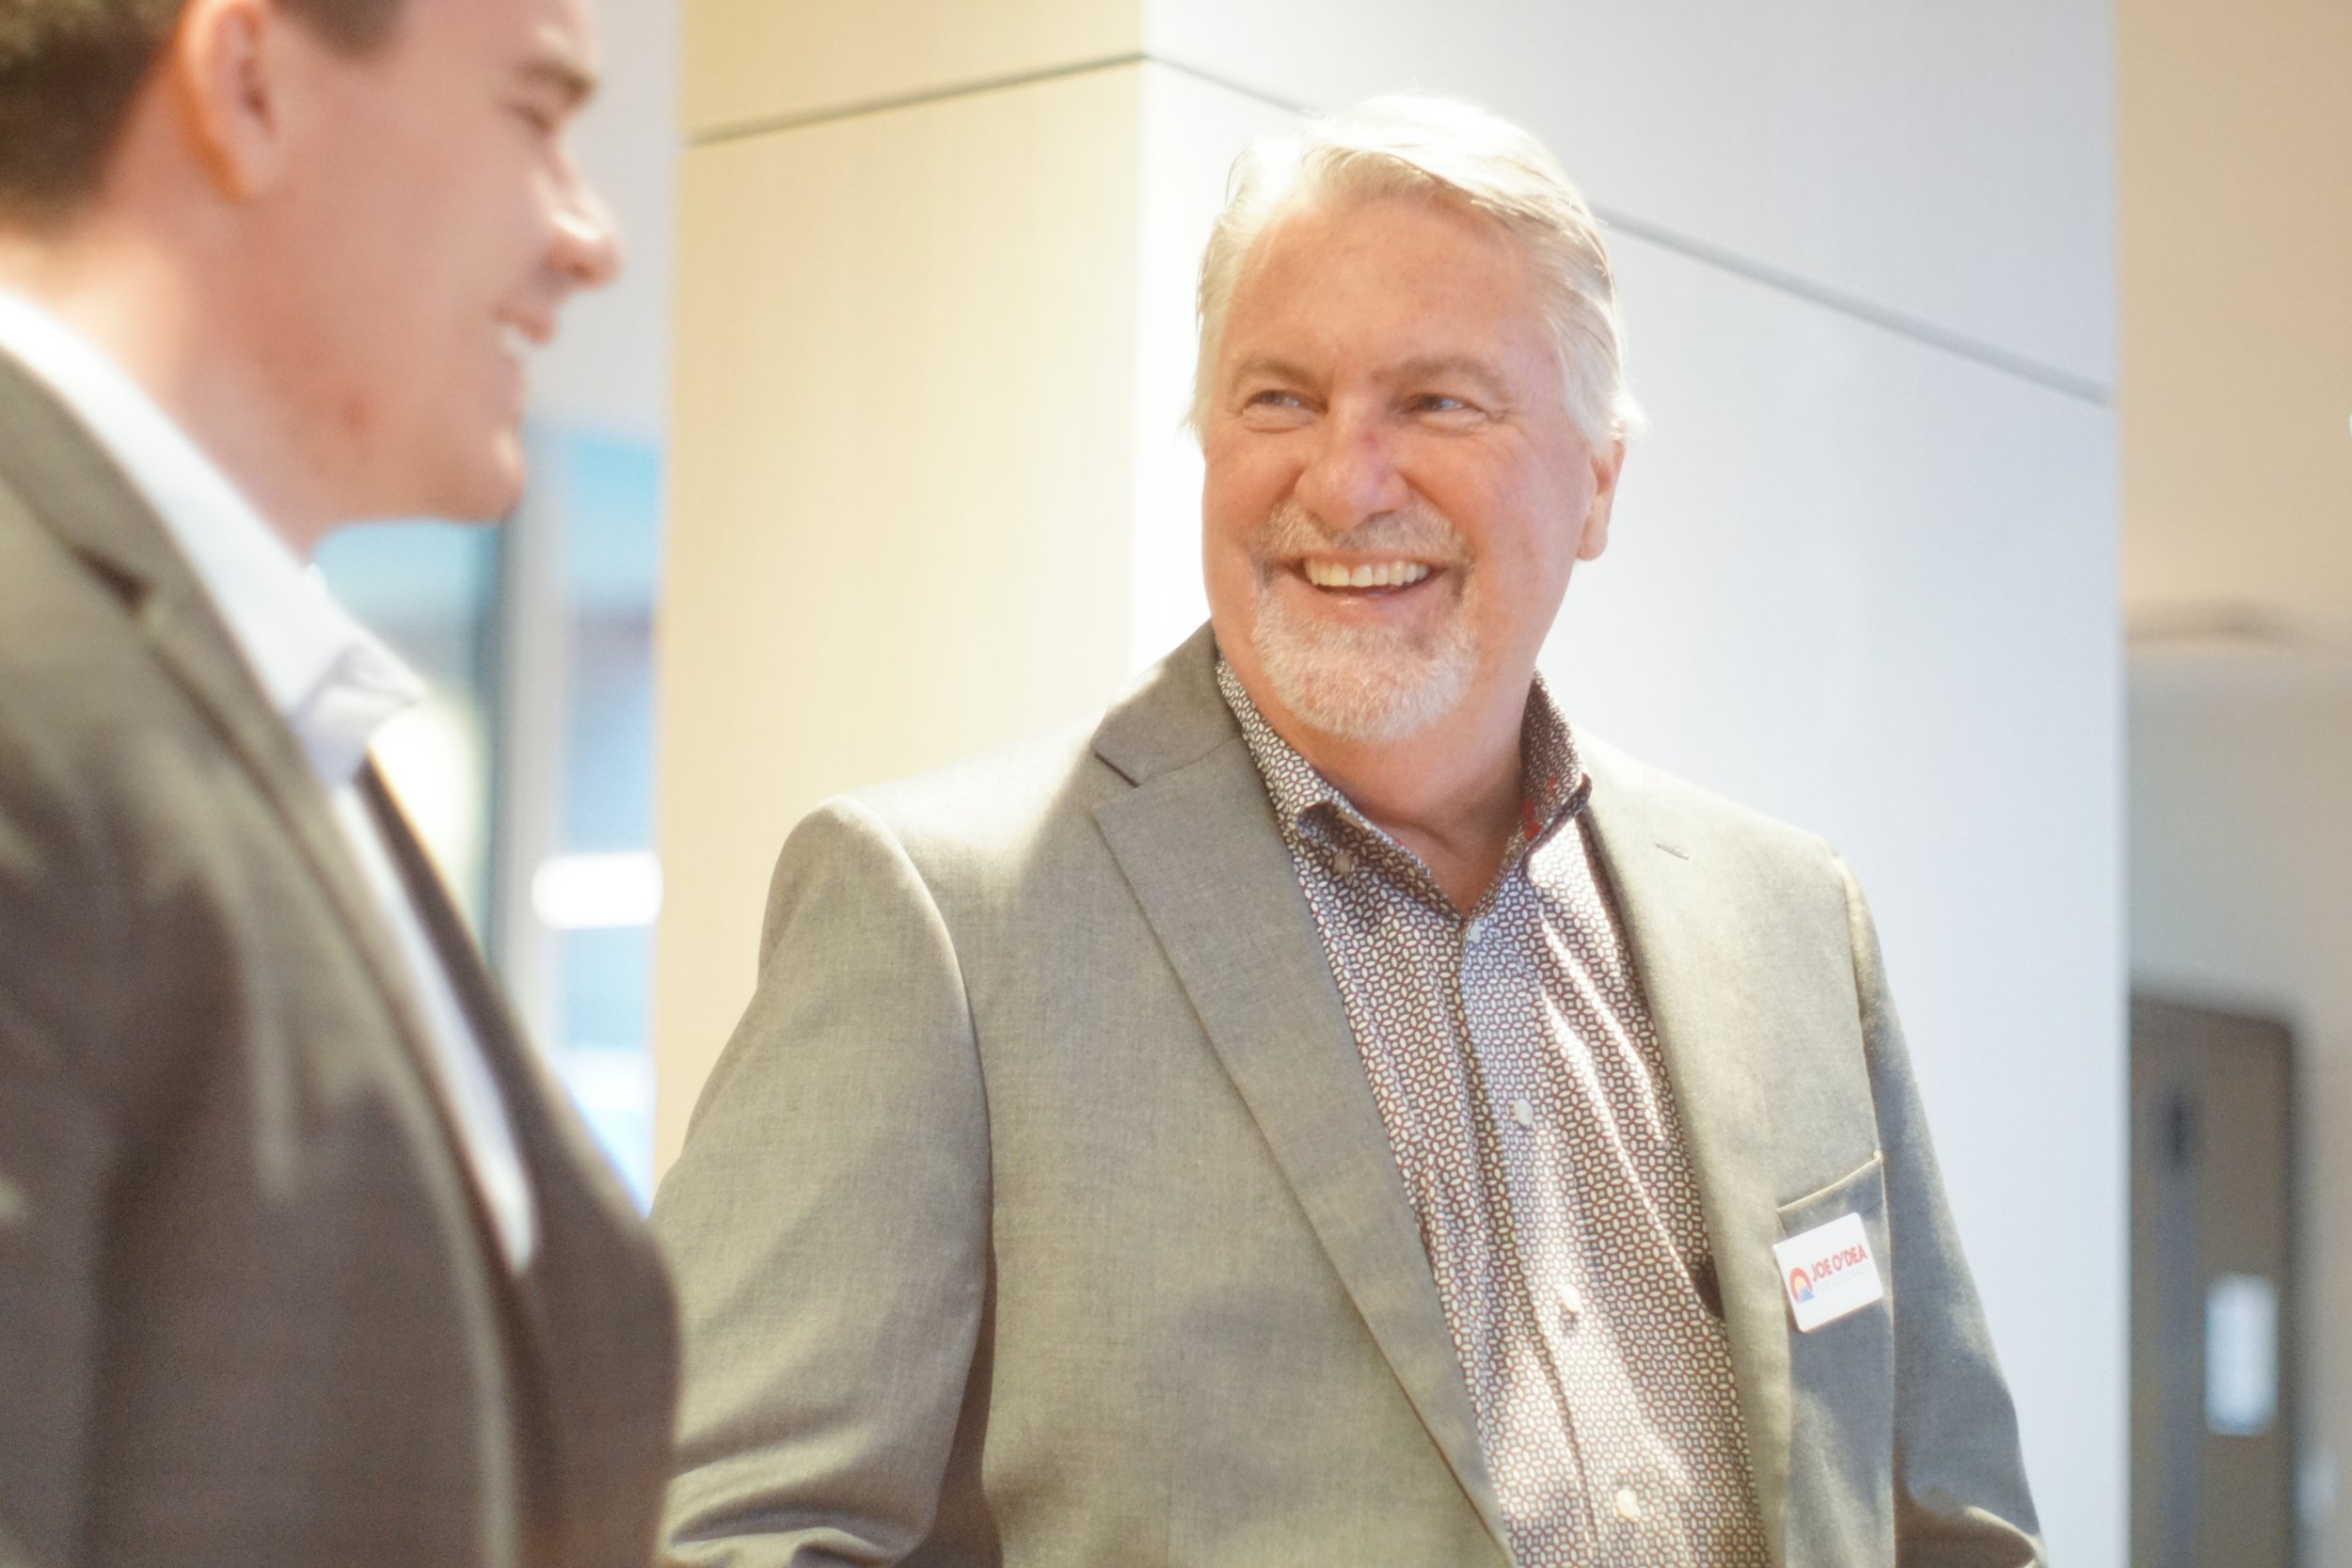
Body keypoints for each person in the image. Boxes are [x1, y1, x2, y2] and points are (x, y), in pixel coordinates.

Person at [655, 96, 2041, 1567]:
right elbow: (716, 1533)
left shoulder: (1788, 924)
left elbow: (1948, 1528)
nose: (1344, 479)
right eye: (1280, 400)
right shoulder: (945, 921)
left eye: (1436, 404)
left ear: (1598, 484)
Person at [0, 1, 675, 1563]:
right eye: (535, 113)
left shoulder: (239, 701)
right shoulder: (37, 678)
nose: (588, 239)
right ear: (247, 82)